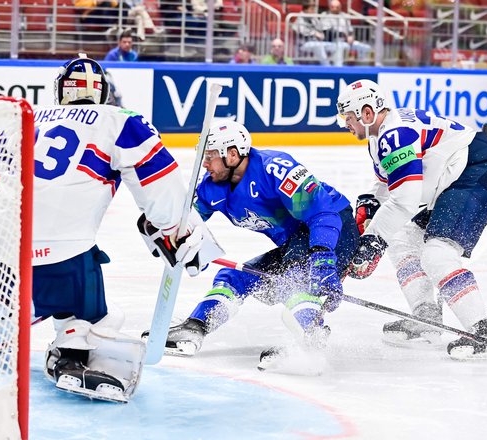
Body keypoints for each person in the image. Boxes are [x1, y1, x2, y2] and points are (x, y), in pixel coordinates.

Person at [0, 54, 219, 402]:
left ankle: (3, 302)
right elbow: (158, 181)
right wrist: (174, 228)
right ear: (101, 92)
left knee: (42, 276)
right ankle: (63, 348)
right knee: (99, 318)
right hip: (60, 247)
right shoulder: (121, 120)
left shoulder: (26, 119)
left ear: (62, 90)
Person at [142, 121, 360, 370]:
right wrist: (167, 228)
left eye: (210, 156)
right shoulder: (211, 186)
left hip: (332, 230)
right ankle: (195, 328)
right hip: (295, 241)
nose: (204, 163)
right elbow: (189, 221)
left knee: (296, 276)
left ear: (232, 154)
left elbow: (323, 214)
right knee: (235, 277)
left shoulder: (275, 169)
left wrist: (323, 256)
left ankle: (311, 341)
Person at [336, 79, 487, 360]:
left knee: (437, 254)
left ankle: (486, 333)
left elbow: (405, 200)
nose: (344, 124)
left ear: (367, 113)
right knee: (401, 239)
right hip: (457, 180)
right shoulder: (380, 135)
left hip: (479, 174)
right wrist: (370, 201)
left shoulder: (395, 134)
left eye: (347, 117)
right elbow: (387, 183)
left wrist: (372, 241)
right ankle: (426, 317)